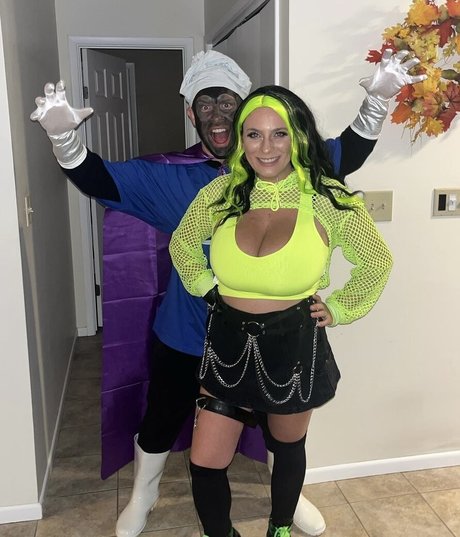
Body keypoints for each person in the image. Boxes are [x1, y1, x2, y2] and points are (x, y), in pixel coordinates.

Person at [30, 49, 424, 537]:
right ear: (190, 114)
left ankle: (288, 499)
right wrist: (64, 138)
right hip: (188, 329)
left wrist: (378, 101)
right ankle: (143, 495)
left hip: (279, 334)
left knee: (283, 424)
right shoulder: (174, 177)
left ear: (245, 110)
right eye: (205, 104)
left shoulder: (299, 173)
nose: (217, 116)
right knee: (165, 417)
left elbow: (347, 151)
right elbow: (100, 178)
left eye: (227, 104)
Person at [168, 84, 393, 537]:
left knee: (287, 447)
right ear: (241, 140)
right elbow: (182, 243)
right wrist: (206, 287)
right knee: (205, 461)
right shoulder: (223, 193)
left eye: (279, 134)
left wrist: (340, 308)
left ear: (298, 137)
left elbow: (376, 261)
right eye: (253, 134)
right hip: (228, 341)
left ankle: (281, 527)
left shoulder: (328, 198)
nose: (266, 147)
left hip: (293, 344)